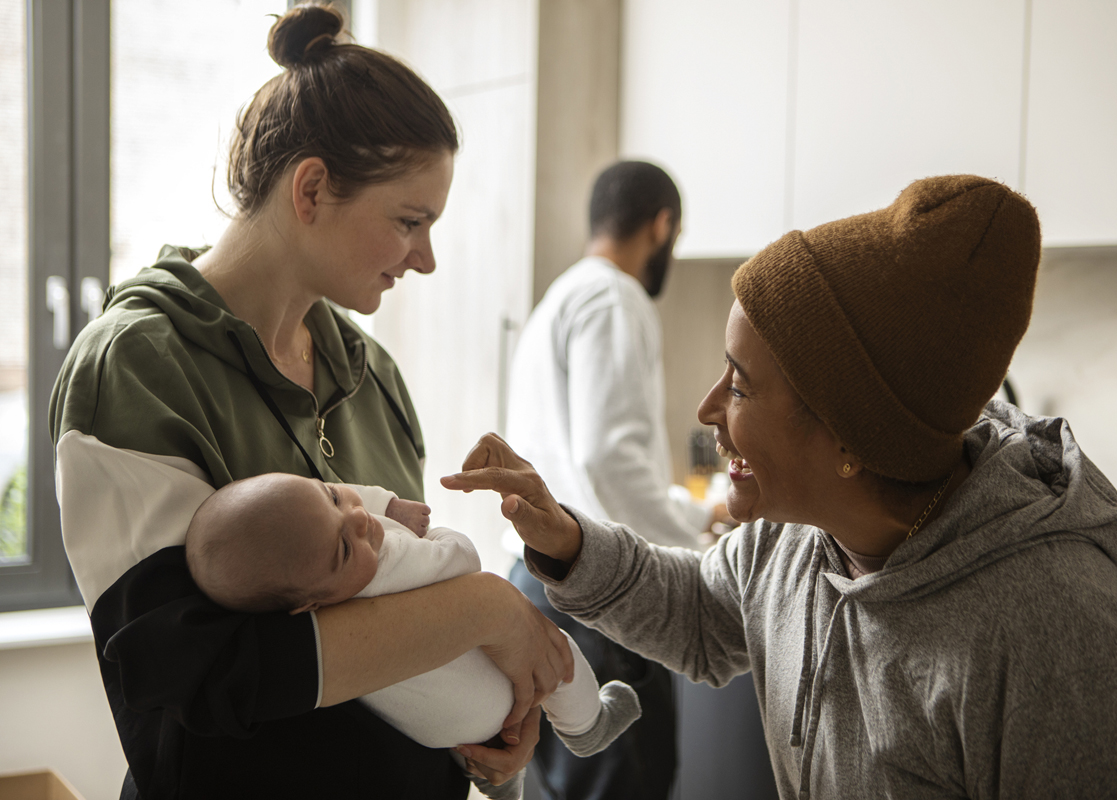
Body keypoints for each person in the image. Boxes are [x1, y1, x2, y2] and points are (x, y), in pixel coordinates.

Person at [446, 175, 1117, 798]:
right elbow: (703, 611)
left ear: (849, 438)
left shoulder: (1063, 649)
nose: (708, 410)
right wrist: (568, 541)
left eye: (739, 385)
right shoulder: (794, 541)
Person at [49, 6, 571, 798]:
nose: (424, 260)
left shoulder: (373, 377)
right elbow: (199, 674)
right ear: (314, 188)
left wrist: (492, 723)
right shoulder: (137, 366)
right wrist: (487, 612)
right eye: (409, 222)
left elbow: (401, 619)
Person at [182, 471, 641, 800]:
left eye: (333, 496)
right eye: (345, 547)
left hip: (441, 732)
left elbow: (336, 504)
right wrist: (439, 534)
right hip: (475, 701)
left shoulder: (311, 588)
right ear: (308, 603)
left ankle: (496, 776)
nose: (360, 521)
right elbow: (462, 562)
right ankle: (588, 725)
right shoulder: (387, 566)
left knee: (477, 724)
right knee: (560, 651)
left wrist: (382, 504)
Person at [504, 160, 728, 799]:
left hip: (541, 578)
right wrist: (693, 541)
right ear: (662, 226)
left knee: (576, 785)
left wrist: (688, 517)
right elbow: (609, 457)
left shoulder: (562, 297)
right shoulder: (615, 297)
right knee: (623, 784)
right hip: (595, 594)